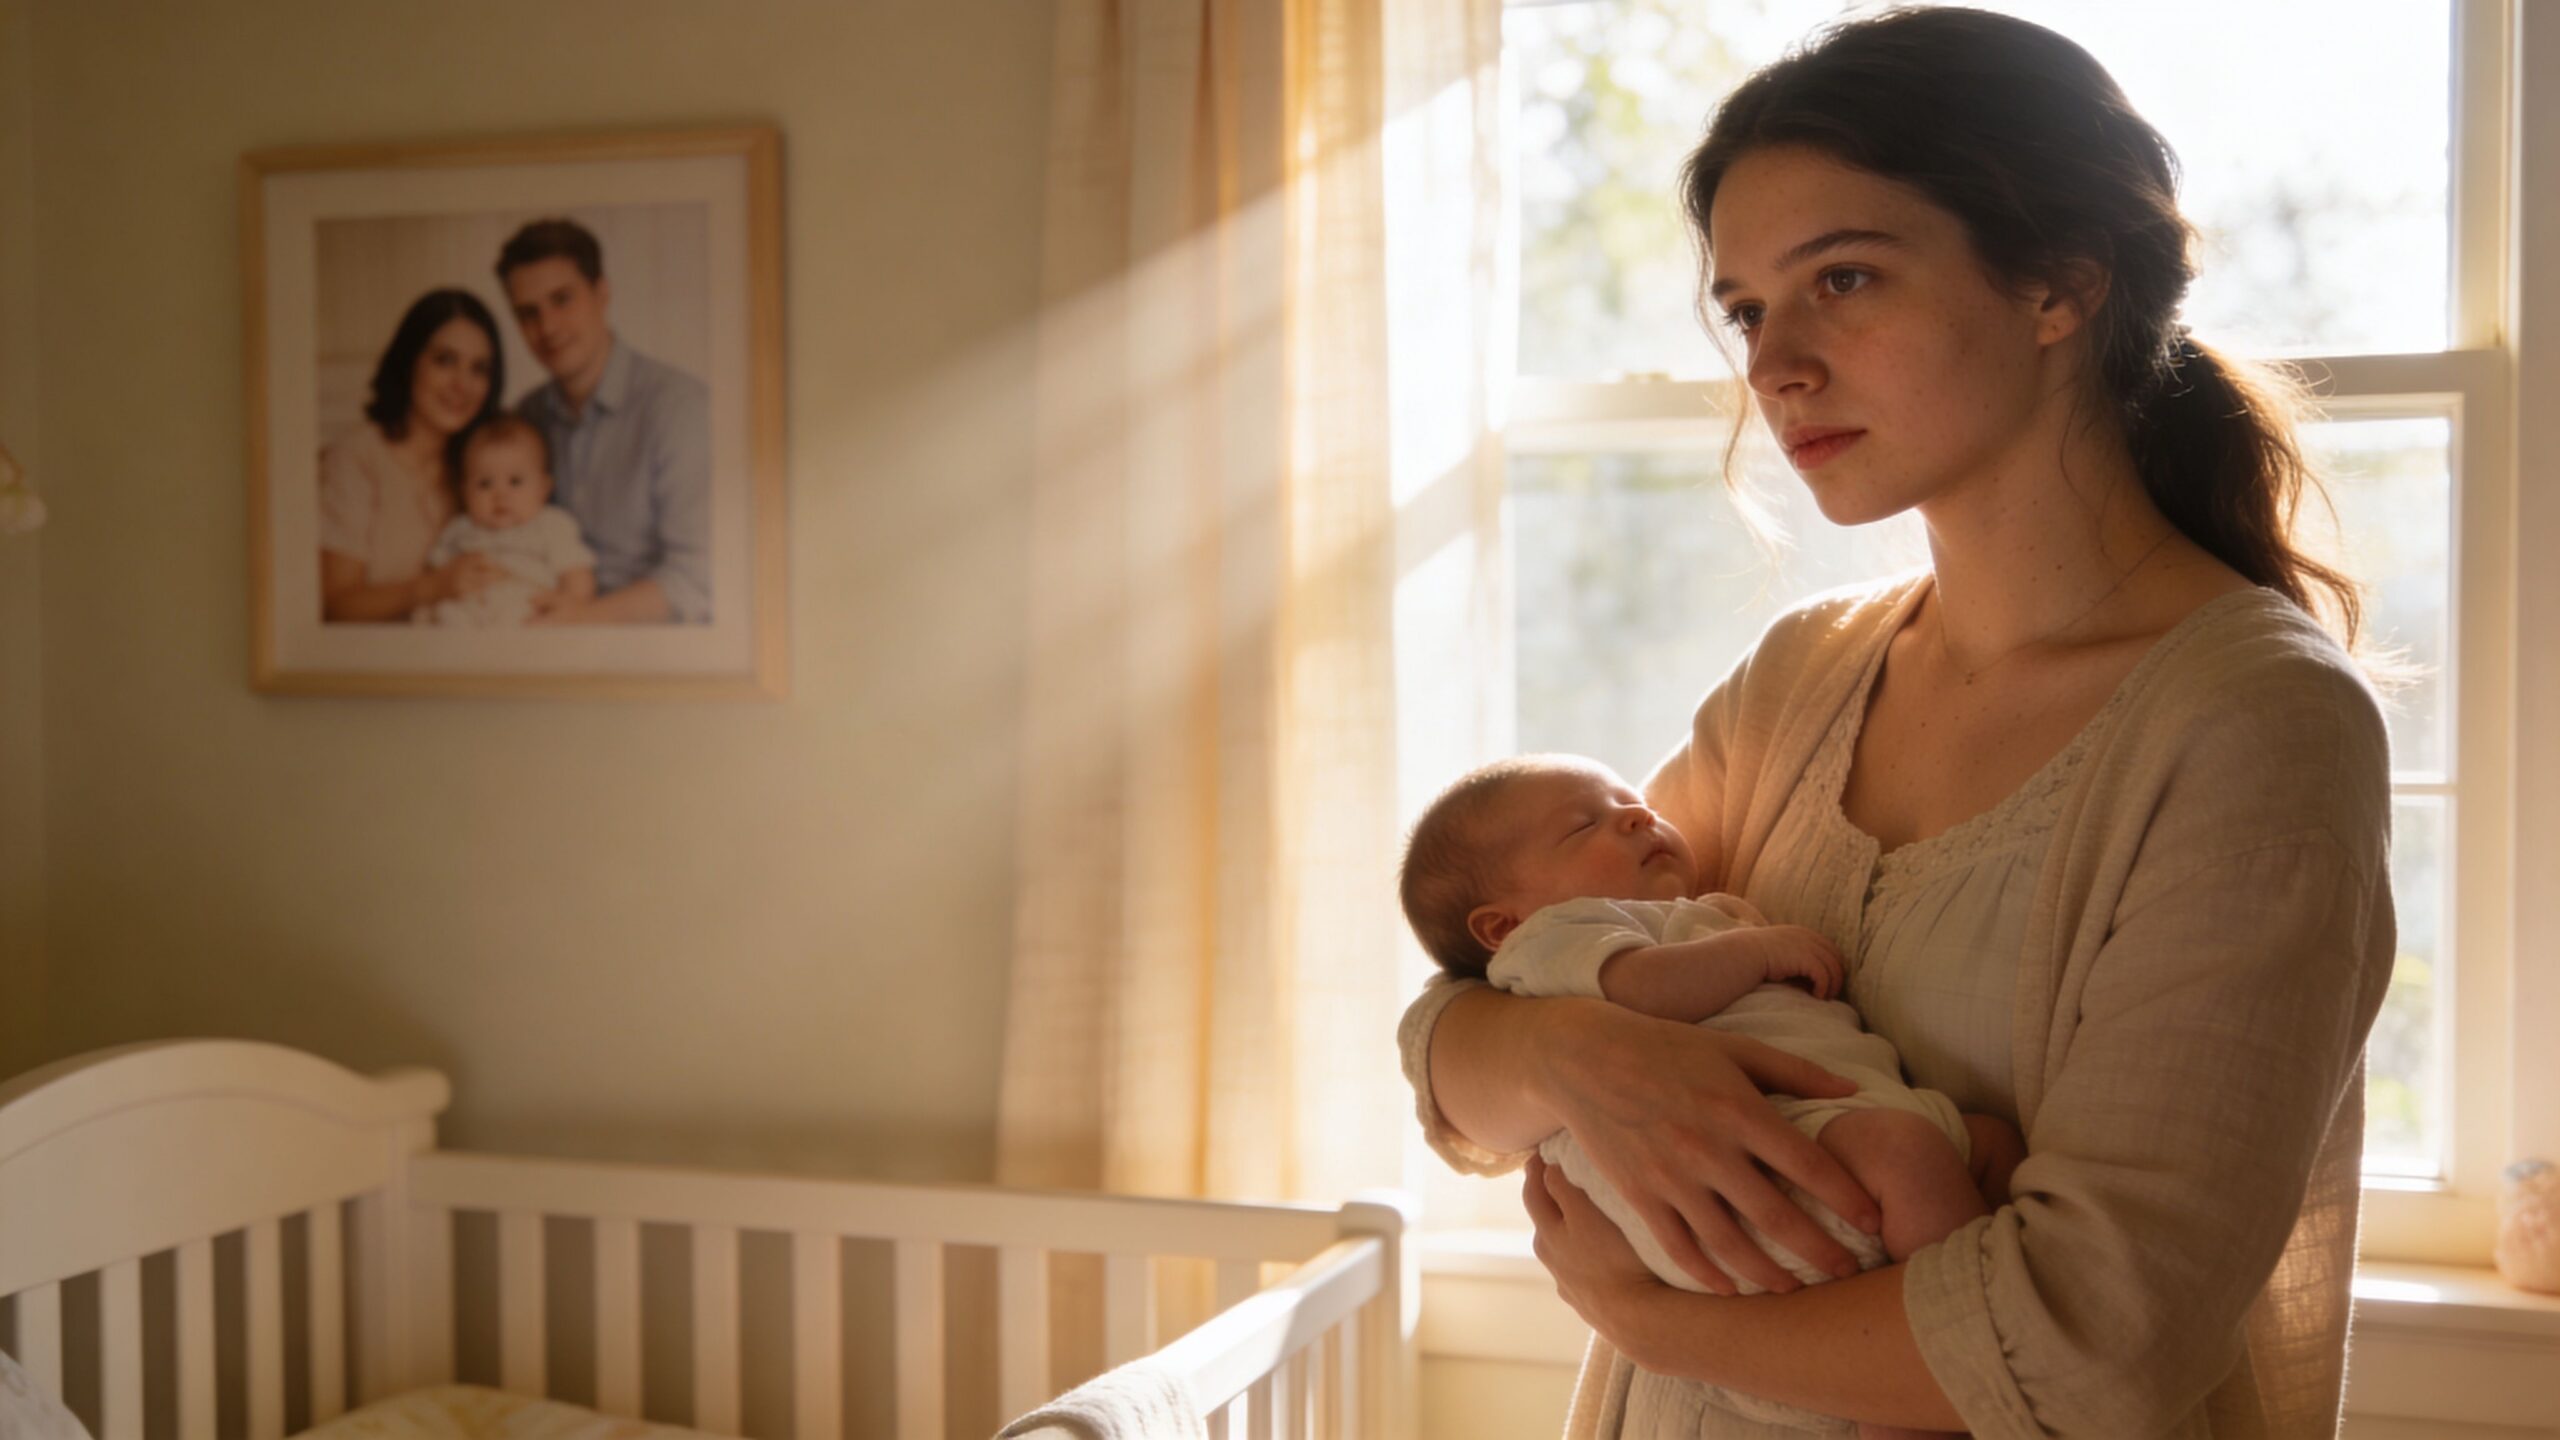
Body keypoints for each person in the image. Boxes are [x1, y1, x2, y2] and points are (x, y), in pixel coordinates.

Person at [1397, 8, 2396, 1437]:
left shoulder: (2255, 726)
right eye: (1746, 310)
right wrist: (1573, 1055)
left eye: (1843, 279)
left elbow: (2093, 1338)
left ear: (2057, 283)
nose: (1774, 364)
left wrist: (1646, 1315)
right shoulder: (1798, 682)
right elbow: (1459, 1034)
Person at [1401, 753, 2023, 1440]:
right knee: (1908, 1156)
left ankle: (1917, 1379)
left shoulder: (1687, 917)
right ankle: (1915, 1410)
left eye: (1631, 801)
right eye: (1584, 827)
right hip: (1750, 1170)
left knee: (1991, 1143)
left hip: (1821, 1128)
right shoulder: (1553, 940)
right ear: (1499, 926)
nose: (1637, 815)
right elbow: (1643, 988)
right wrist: (1758, 951)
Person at [496, 218, 712, 626]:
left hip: (653, 652)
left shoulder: (680, 408)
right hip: (540, 636)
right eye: (528, 314)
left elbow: (698, 575)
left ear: (602, 293)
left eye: (562, 299)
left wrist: (586, 617)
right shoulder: (527, 417)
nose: (548, 327)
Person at [318, 289, 508, 621]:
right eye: (445, 360)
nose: (462, 384)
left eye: (478, 369)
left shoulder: (480, 466)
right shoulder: (356, 457)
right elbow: (335, 604)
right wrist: (431, 588)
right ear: (409, 361)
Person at [414, 417, 597, 629]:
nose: (500, 495)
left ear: (543, 488)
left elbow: (577, 576)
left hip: (528, 607)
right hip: (467, 608)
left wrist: (572, 605)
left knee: (521, 617)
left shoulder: (551, 524)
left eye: (515, 481)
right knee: (440, 615)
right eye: (485, 484)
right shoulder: (460, 528)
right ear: (465, 492)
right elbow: (434, 572)